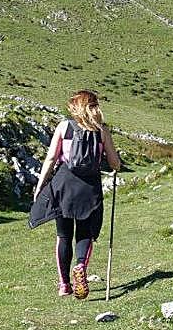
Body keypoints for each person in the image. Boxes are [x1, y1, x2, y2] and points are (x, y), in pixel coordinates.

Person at [33, 90, 121, 299]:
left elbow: (51, 158)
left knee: (63, 235)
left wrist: (40, 185)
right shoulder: (102, 131)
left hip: (63, 183)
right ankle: (80, 265)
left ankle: (64, 285)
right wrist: (117, 162)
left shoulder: (65, 127)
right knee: (85, 233)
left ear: (76, 107)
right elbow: (114, 163)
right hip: (89, 187)